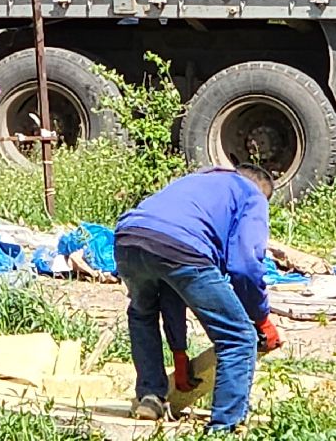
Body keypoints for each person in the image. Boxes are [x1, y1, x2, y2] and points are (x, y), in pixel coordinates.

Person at [113, 164, 282, 430]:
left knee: (142, 313)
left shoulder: (197, 182)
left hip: (128, 239)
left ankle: (151, 396)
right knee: (239, 338)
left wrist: (179, 353)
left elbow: (172, 291)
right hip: (183, 249)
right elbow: (245, 267)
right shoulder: (252, 194)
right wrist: (260, 318)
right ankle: (224, 428)